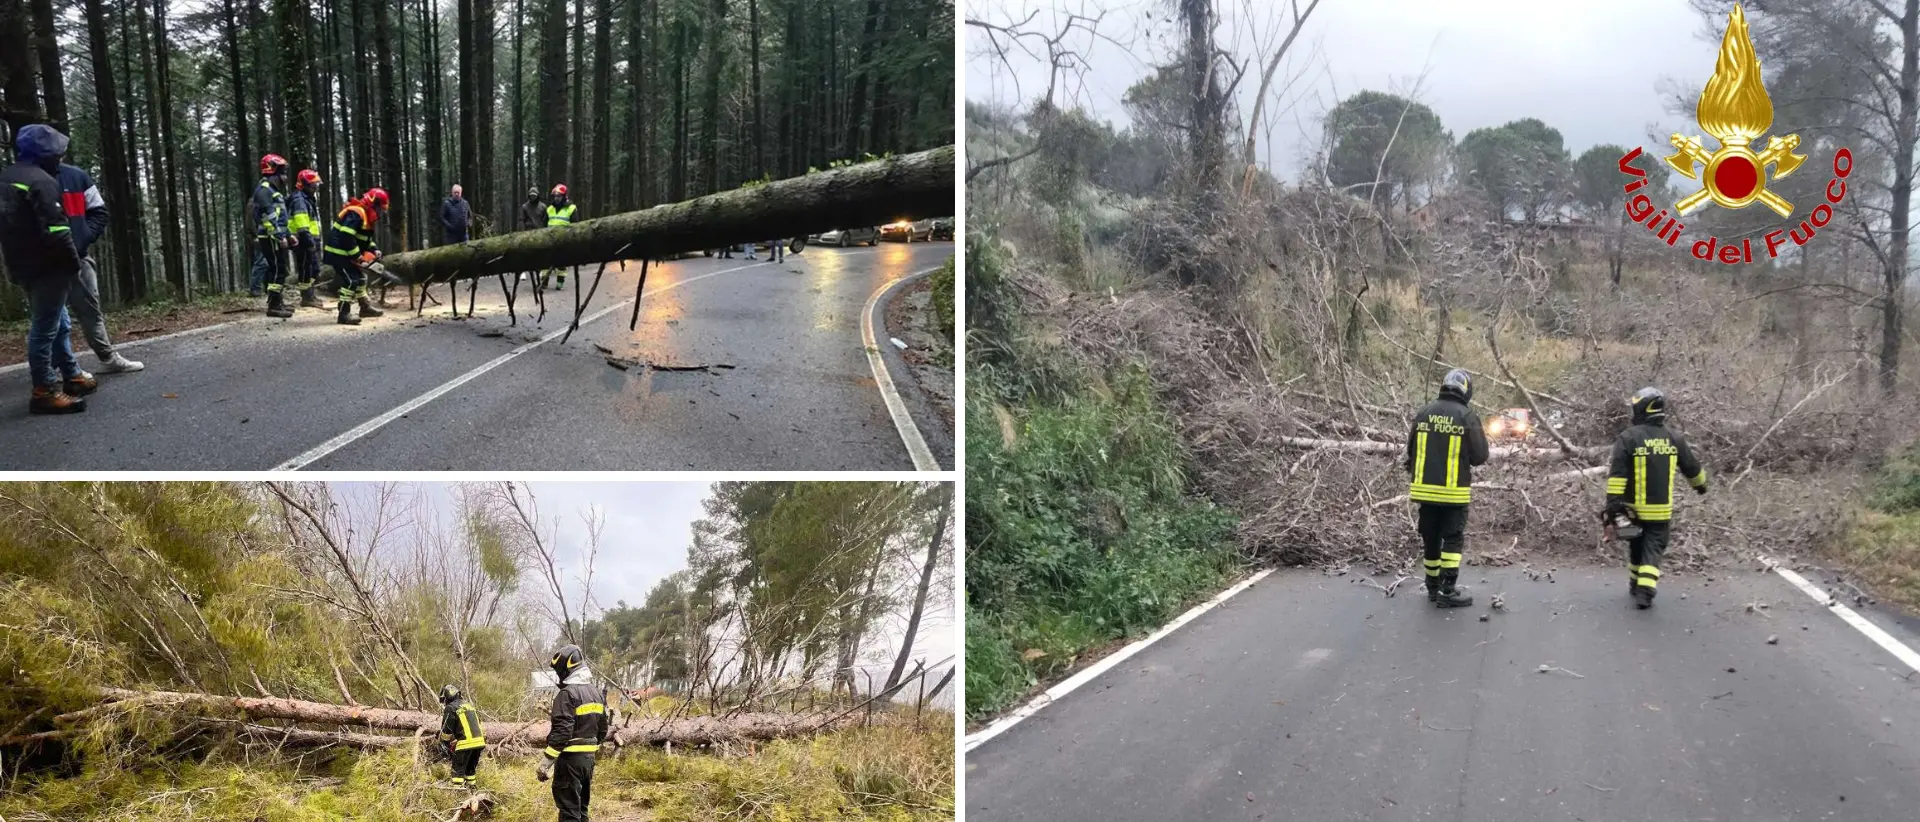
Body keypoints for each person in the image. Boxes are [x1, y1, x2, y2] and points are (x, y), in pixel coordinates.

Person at [1, 124, 91, 414]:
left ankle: (72, 375)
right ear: (45, 154)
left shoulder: (7, 177)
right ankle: (44, 391)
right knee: (45, 327)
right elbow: (57, 231)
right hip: (48, 266)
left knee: (58, 321)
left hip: (21, 264)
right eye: (57, 153)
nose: (60, 159)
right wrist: (73, 264)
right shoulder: (41, 181)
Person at [1606, 387, 1708, 609]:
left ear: (1641, 409)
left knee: (1636, 545)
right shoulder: (1673, 437)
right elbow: (1692, 468)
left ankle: (1635, 583)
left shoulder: (1628, 438)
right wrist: (1700, 486)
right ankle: (1645, 590)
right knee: (1653, 548)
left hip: (1632, 510)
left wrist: (1613, 503)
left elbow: (1617, 475)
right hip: (1660, 511)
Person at [1405, 368, 1490, 608]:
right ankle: (1447, 590)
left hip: (1424, 492)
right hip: (1453, 493)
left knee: (1430, 538)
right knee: (1452, 540)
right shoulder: (1466, 416)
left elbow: (1411, 450)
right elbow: (1480, 456)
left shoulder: (1424, 413)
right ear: (1466, 390)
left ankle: (1432, 587)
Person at [54, 152, 144, 372]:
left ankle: (108, 357)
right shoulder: (28, 178)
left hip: (78, 258)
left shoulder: (77, 176)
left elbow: (99, 212)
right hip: (42, 262)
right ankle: (57, 370)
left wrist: (83, 237)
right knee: (51, 319)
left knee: (90, 310)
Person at [535, 644, 610, 822]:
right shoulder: (596, 693)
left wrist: (546, 762)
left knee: (569, 811)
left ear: (565, 669)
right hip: (588, 761)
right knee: (581, 809)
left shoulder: (567, 694)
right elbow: (603, 728)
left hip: (570, 762)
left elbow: (562, 732)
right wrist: (590, 749)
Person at [320, 187, 391, 325]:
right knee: (351, 281)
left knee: (361, 278)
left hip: (347, 253)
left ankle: (365, 307)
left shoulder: (365, 216)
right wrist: (357, 256)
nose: (381, 212)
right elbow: (346, 236)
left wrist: (374, 249)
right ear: (374, 204)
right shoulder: (357, 213)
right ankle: (343, 314)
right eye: (380, 209)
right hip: (338, 253)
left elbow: (363, 239)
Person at [251, 154, 295, 316]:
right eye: (282, 173)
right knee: (277, 269)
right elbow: (267, 217)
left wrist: (288, 234)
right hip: (270, 237)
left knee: (279, 268)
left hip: (276, 235)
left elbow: (280, 217)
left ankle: (278, 301)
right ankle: (274, 305)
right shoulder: (264, 190)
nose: (285, 177)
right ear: (273, 172)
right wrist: (279, 236)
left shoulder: (272, 190)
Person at [287, 168, 326, 309]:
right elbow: (302, 223)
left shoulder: (306, 198)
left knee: (313, 269)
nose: (315, 187)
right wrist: (308, 241)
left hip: (309, 240)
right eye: (313, 184)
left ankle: (309, 294)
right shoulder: (299, 200)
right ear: (305, 184)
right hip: (303, 240)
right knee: (307, 269)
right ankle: (307, 297)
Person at [437, 684, 486, 790]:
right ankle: (471, 790)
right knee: (470, 771)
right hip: (479, 742)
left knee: (457, 772)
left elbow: (447, 729)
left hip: (465, 744)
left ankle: (457, 793)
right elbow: (473, 725)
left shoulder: (450, 708)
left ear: (447, 697)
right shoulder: (469, 705)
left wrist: (443, 744)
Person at [541, 184, 576, 291]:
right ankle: (544, 281)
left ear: (564, 196)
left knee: (561, 262)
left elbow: (576, 225)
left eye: (559, 196)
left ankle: (560, 281)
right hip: (549, 239)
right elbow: (544, 224)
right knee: (545, 262)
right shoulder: (550, 209)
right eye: (555, 196)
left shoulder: (571, 208)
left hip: (564, 239)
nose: (556, 198)